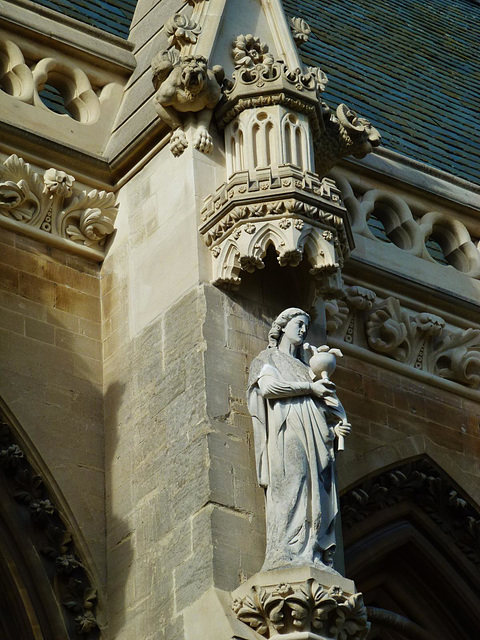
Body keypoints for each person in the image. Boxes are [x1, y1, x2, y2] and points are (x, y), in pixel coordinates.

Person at [247, 308, 351, 571]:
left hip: (313, 432)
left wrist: (333, 432)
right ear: (282, 326)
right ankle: (284, 551)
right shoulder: (268, 358)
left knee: (315, 488)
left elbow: (320, 410)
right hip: (287, 428)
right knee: (294, 481)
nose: (303, 329)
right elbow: (269, 388)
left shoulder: (307, 369)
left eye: (306, 325)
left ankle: (310, 551)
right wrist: (310, 388)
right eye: (298, 324)